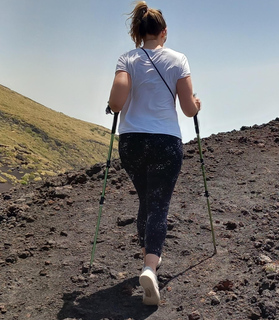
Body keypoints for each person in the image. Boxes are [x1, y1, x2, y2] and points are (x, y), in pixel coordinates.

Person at [108, 1, 201, 306]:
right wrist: (197, 104)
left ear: (138, 31)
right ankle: (150, 266)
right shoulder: (178, 60)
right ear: (164, 32)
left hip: (132, 142)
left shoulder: (128, 59)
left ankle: (149, 257)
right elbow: (188, 110)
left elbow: (117, 101)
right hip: (165, 141)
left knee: (146, 200)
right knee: (159, 205)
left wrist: (113, 105)